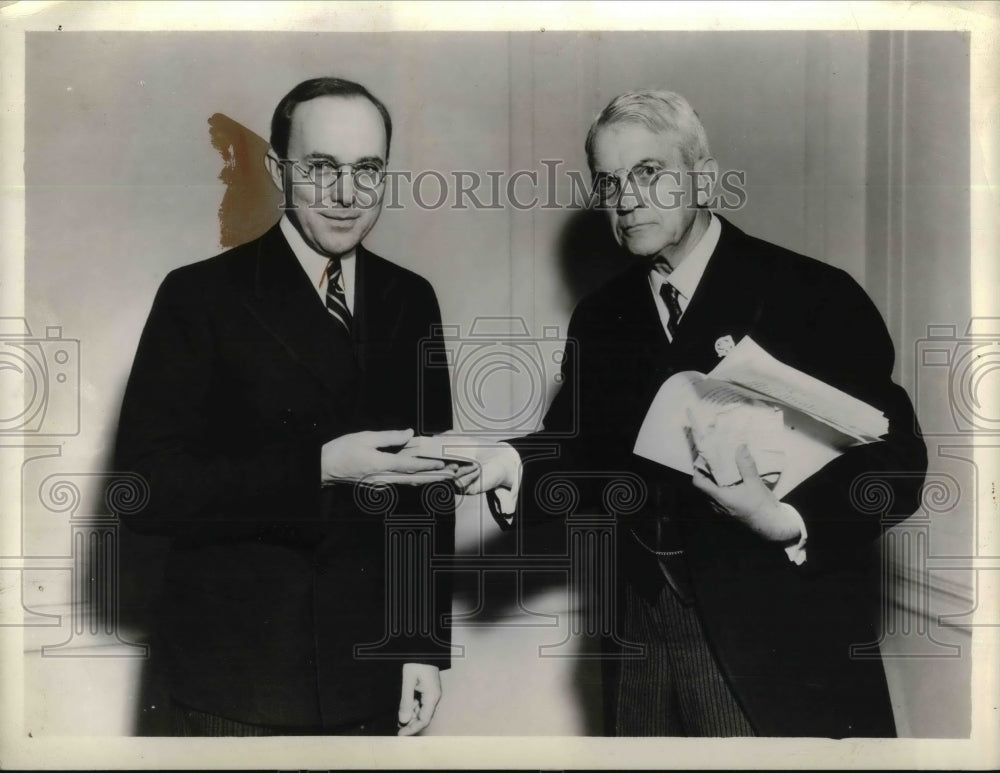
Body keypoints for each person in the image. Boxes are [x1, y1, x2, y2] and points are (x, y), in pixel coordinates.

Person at [431, 90, 928, 737]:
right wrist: (514, 462)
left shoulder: (810, 294)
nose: (627, 198)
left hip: (772, 646)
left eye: (648, 172)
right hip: (640, 636)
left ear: (705, 178)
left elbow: (897, 459)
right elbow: (580, 447)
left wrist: (785, 519)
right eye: (609, 182)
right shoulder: (603, 316)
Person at [115, 77, 457, 736]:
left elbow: (430, 493)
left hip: (369, 677)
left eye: (367, 170)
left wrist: (421, 647)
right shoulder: (199, 297)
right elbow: (143, 489)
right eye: (320, 167)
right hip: (236, 684)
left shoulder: (410, 300)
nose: (346, 194)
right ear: (277, 169)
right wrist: (318, 469)